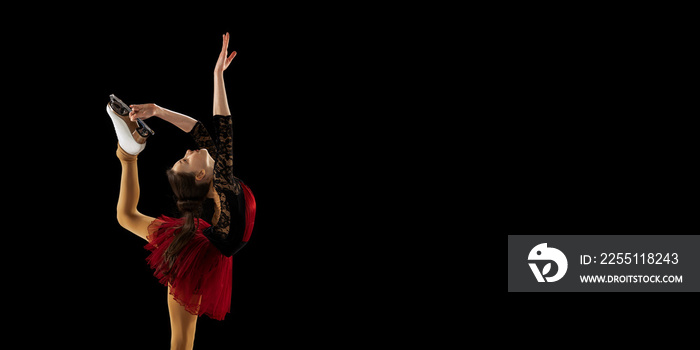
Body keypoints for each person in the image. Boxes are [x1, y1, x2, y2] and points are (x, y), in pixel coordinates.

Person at [106, 32, 256, 350]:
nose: (189, 151)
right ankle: (128, 151)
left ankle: (128, 153)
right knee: (182, 340)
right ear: (201, 174)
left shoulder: (220, 183)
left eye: (183, 156)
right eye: (186, 159)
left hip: (203, 247)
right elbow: (220, 124)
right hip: (208, 250)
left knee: (125, 216)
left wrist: (158, 110)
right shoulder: (225, 181)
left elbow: (200, 129)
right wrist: (217, 77)